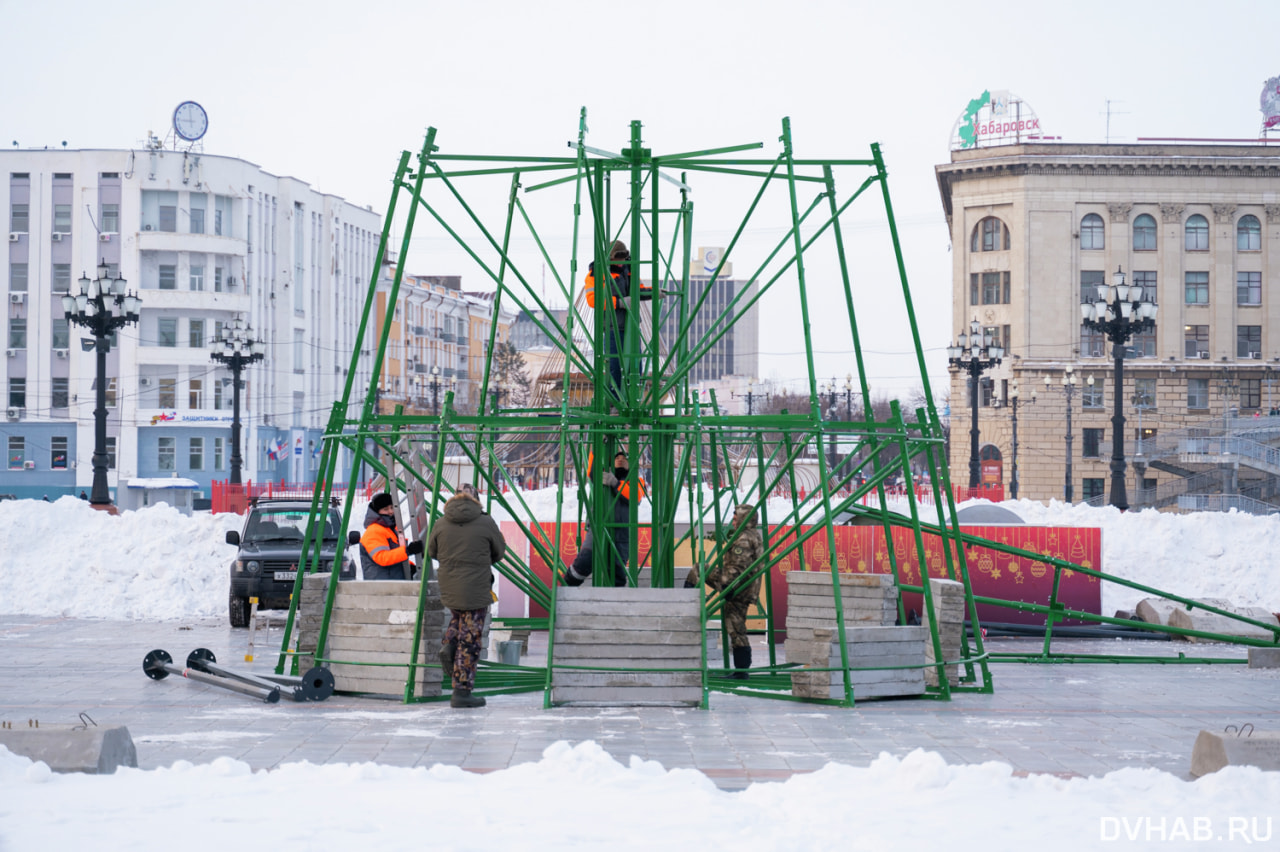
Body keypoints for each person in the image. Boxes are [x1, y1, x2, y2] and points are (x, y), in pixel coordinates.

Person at [430, 483, 507, 708]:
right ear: (476, 499)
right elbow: (500, 551)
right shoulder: (485, 522)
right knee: (471, 639)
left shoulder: (441, 522)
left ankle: (449, 643)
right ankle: (462, 692)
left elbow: (431, 550)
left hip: (450, 586)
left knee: (458, 619)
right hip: (476, 587)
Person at [684, 503, 765, 679]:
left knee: (700, 569)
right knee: (736, 626)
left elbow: (738, 566)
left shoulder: (743, 539)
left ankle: (687, 598)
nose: (733, 521)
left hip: (737, 587)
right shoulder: (753, 535)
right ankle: (741, 668)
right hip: (743, 587)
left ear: (744, 519)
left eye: (736, 518)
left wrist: (728, 586)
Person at [564, 449, 646, 588]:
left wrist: (616, 484)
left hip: (622, 533)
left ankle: (613, 606)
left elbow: (635, 496)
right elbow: (591, 470)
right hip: (598, 528)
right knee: (583, 563)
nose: (620, 459)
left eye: (624, 458)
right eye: (617, 457)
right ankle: (566, 589)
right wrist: (595, 448)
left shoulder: (637, 481)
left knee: (617, 574)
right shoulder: (603, 476)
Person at [584, 240, 652, 403]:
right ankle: (615, 400)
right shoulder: (596, 273)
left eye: (624, 256)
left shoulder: (629, 271)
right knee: (615, 366)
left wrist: (653, 292)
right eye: (618, 256)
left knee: (635, 365)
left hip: (633, 325)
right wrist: (619, 303)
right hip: (613, 327)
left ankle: (633, 399)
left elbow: (639, 290)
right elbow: (593, 300)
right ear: (610, 257)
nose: (621, 261)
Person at [358, 492, 423, 580]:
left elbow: (396, 554)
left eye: (392, 507)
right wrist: (408, 551)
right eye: (386, 509)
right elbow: (382, 558)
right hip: (381, 586)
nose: (390, 511)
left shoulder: (390, 529)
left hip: (391, 581)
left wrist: (410, 566)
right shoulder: (373, 531)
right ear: (377, 511)